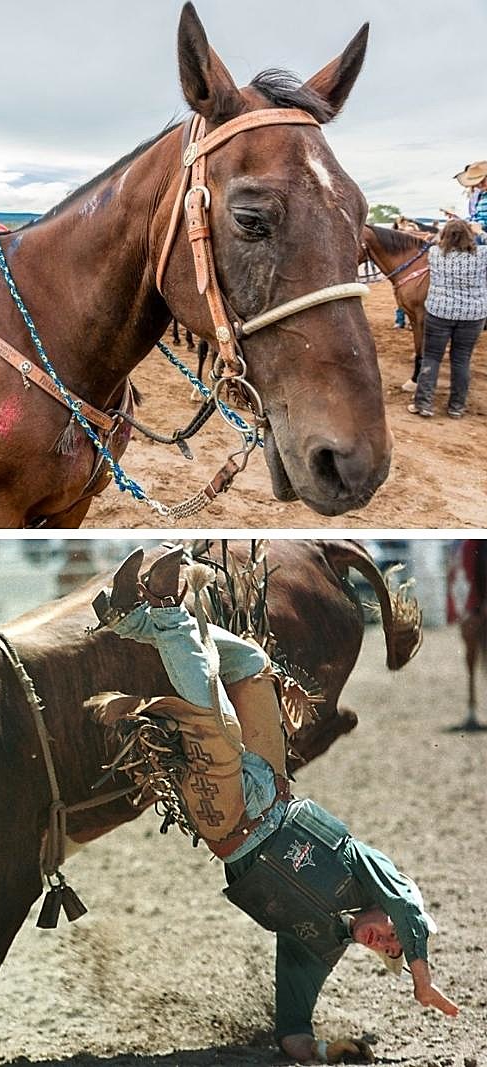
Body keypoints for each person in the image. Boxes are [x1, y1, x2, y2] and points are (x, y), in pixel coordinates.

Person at [92, 547, 461, 1063]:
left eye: (387, 953)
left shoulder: (318, 944)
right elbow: (407, 906)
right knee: (252, 665)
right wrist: (421, 977)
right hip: (272, 784)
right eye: (396, 938)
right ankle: (141, 622)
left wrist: (321, 1050)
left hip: (232, 817)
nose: (385, 941)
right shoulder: (373, 877)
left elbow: (292, 1031)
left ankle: (161, 615)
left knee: (216, 728)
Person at [410, 219, 486, 419]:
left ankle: (423, 404)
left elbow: (434, 241)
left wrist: (440, 234)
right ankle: (456, 407)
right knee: (461, 360)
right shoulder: (482, 255)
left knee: (432, 357)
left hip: (440, 313)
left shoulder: (434, 254)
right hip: (472, 315)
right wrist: (481, 232)